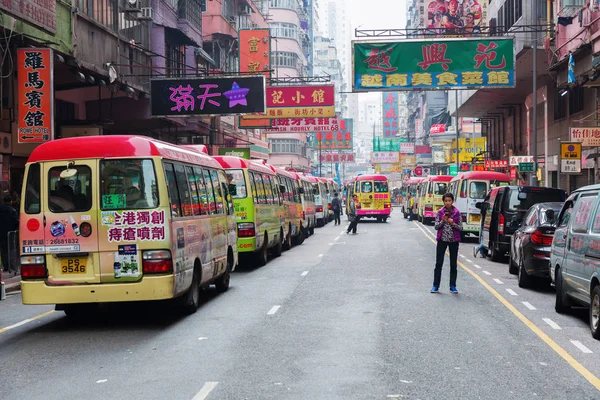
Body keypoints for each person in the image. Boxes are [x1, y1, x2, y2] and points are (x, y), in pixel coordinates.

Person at [431, 193, 463, 294]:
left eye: (449, 201)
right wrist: (443, 221)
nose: (448, 202)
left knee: (453, 264)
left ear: (452, 201)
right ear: (443, 202)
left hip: (454, 241)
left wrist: (452, 222)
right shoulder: (440, 212)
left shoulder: (457, 213)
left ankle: (452, 286)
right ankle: (435, 285)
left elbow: (461, 228)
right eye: (446, 201)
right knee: (439, 263)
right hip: (442, 240)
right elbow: (436, 227)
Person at [0, 195, 19, 273]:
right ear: (11, 201)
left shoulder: (0, 209)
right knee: (11, 249)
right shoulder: (13, 210)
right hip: (11, 233)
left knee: (3, 250)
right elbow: (16, 222)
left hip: (1, 233)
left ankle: (6, 266)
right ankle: (12, 266)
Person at [473, 192, 490, 258]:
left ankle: (482, 253)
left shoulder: (485, 205)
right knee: (485, 239)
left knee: (483, 238)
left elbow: (477, 205)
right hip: (486, 223)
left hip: (484, 223)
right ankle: (478, 248)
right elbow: (477, 205)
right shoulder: (486, 205)